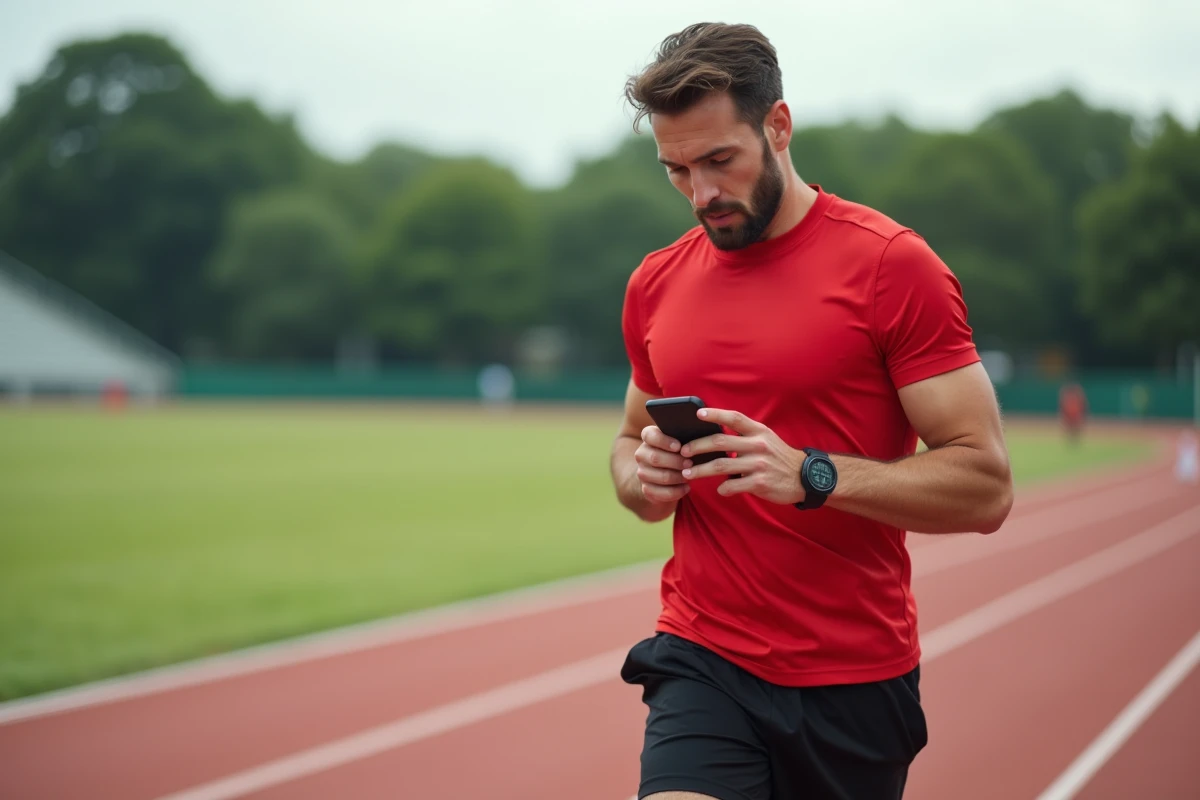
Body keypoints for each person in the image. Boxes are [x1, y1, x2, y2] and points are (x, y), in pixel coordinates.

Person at [607, 22, 1015, 800]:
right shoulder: (654, 285)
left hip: (853, 678)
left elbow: (986, 487)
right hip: (703, 656)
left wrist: (812, 474)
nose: (701, 194)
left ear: (779, 125)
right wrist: (645, 476)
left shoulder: (894, 267)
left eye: (720, 160)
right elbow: (630, 444)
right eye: (677, 170)